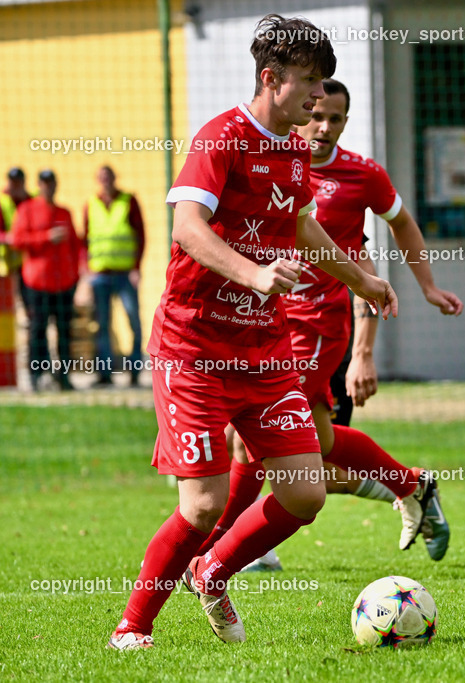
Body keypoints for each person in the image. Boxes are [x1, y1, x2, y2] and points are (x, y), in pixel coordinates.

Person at [107, 14, 397, 651]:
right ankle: (133, 626)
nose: (319, 99)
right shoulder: (221, 139)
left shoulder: (295, 150)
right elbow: (187, 228)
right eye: (311, 84)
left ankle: (212, 571)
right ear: (272, 78)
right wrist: (257, 275)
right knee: (204, 505)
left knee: (305, 490)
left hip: (263, 352)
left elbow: (299, 228)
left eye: (324, 85)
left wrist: (359, 279)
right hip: (194, 349)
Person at [212, 78, 463, 571]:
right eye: (318, 114)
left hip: (318, 325)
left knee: (256, 436)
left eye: (336, 119)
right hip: (269, 320)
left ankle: (225, 548)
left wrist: (428, 287)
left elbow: (401, 226)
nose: (324, 127)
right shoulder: (276, 160)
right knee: (317, 442)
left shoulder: (361, 175)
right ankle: (413, 484)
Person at [9, 169, 83, 392]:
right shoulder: (27, 210)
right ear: (39, 186)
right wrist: (46, 237)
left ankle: (63, 377)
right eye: (44, 183)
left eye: (52, 183)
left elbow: (74, 246)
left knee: (64, 331)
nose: (48, 187)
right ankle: (36, 375)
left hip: (64, 283)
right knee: (38, 331)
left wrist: (76, 276)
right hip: (37, 283)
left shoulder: (64, 212)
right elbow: (17, 240)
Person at [84, 165, 145, 387]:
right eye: (101, 177)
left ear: (114, 178)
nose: (105, 181)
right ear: (97, 180)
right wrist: (87, 269)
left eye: (108, 177)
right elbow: (86, 239)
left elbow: (140, 235)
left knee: (133, 322)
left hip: (125, 274)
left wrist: (137, 267)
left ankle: (135, 371)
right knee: (102, 324)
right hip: (100, 274)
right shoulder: (91, 204)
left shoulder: (128, 201)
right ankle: (105, 374)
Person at [0, 167, 30, 280]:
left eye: (18, 182)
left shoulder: (30, 200)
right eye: (13, 182)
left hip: (28, 262)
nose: (15, 186)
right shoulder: (2, 202)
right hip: (6, 265)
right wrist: (6, 237)